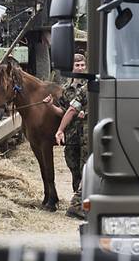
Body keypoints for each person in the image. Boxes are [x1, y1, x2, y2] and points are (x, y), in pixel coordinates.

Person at [44, 54, 89, 219]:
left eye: (82, 65)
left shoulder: (90, 85)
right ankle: (78, 199)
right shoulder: (66, 90)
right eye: (77, 65)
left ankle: (81, 204)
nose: (80, 68)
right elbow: (64, 112)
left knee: (86, 168)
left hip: (86, 135)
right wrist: (50, 106)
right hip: (72, 136)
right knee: (74, 168)